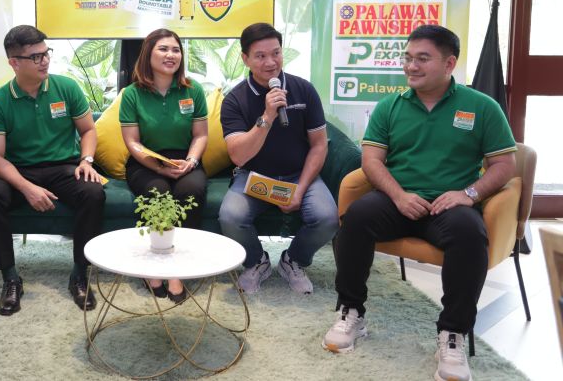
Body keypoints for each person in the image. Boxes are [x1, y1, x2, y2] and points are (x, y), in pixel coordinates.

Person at [322, 25, 516, 381]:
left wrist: (468, 195)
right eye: (408, 58)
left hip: (450, 206)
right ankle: (351, 311)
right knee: (356, 218)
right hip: (398, 199)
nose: (411, 66)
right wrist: (398, 195)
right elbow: (372, 161)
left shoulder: (482, 107)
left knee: (470, 235)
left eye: (422, 59)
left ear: (449, 63)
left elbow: (505, 165)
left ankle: (453, 333)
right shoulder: (390, 106)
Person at [0, 25, 105, 315]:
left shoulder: (66, 87)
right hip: (20, 170)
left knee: (93, 193)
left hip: (64, 166)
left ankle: (79, 274)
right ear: (14, 62)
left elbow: (88, 130)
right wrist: (27, 188)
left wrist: (86, 160)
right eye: (36, 57)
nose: (45, 60)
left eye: (46, 53)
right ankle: (11, 278)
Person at [219, 22, 338, 295]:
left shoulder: (304, 90)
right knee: (230, 216)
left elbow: (319, 145)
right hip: (254, 176)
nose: (270, 62)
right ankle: (256, 261)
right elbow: (238, 156)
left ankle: (293, 260)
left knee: (328, 218)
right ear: (245, 59)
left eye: (276, 53)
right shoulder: (235, 99)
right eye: (260, 56)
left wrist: (300, 189)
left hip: (299, 173)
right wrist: (268, 116)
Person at [119, 28, 208, 303]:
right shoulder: (132, 94)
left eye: (176, 50)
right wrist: (159, 168)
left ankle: (178, 268)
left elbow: (201, 135)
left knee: (191, 191)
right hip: (146, 161)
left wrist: (191, 161)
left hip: (185, 158)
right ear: (148, 54)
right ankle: (153, 265)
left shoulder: (193, 90)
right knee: (157, 192)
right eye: (163, 49)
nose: (171, 55)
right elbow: (132, 142)